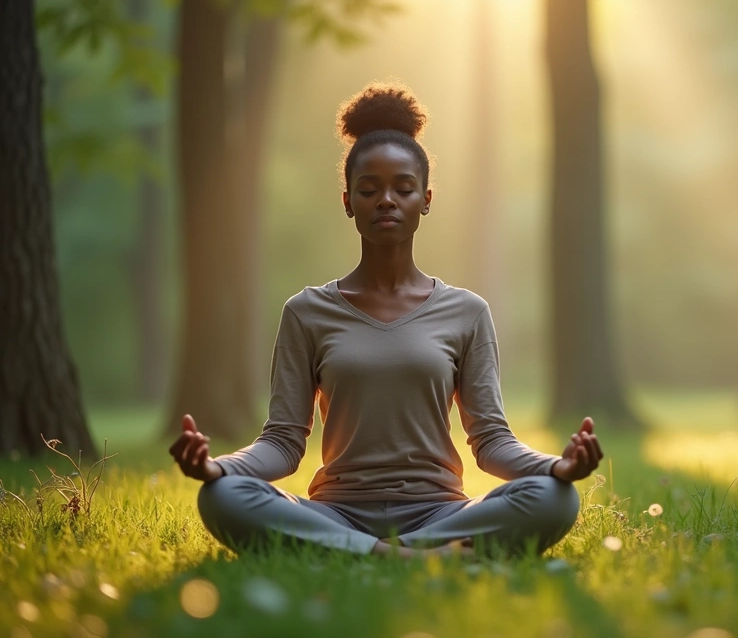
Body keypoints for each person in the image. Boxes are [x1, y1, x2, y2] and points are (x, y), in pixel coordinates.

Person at [167, 82, 604, 559]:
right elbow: (283, 441)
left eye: (403, 188)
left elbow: (492, 441)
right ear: (348, 202)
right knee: (223, 498)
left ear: (427, 199)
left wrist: (558, 467)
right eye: (369, 190)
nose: (387, 201)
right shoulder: (306, 311)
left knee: (555, 498)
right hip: (337, 510)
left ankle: (360, 552)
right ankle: (414, 557)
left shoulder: (467, 312)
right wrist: (219, 468)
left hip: (439, 511)